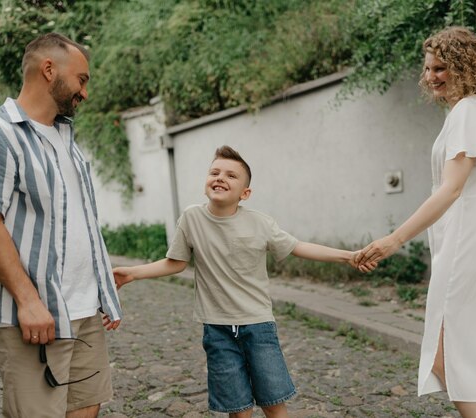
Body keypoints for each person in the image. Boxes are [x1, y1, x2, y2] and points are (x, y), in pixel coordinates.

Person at [113, 145, 376, 418]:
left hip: (258, 325)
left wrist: (348, 257)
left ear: (245, 193)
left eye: (230, 176)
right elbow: (176, 262)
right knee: (238, 409)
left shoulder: (260, 223)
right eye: (214, 172)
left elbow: (298, 246)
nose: (220, 178)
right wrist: (133, 273)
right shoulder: (191, 219)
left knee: (274, 403)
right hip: (217, 329)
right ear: (205, 183)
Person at [355, 27, 476, 418]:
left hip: (467, 237)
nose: (431, 76)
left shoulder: (467, 111)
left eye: (441, 67)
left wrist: (394, 240)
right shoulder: (473, 111)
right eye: (428, 67)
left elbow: (450, 191)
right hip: (470, 233)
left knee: (449, 357)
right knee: (474, 355)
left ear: (464, 67)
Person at [0, 33, 122, 418]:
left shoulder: (65, 137)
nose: (85, 92)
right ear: (50, 70)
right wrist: (28, 302)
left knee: (86, 408)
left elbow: (76, 221)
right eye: (82, 80)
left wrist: (102, 290)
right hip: (34, 317)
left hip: (83, 309)